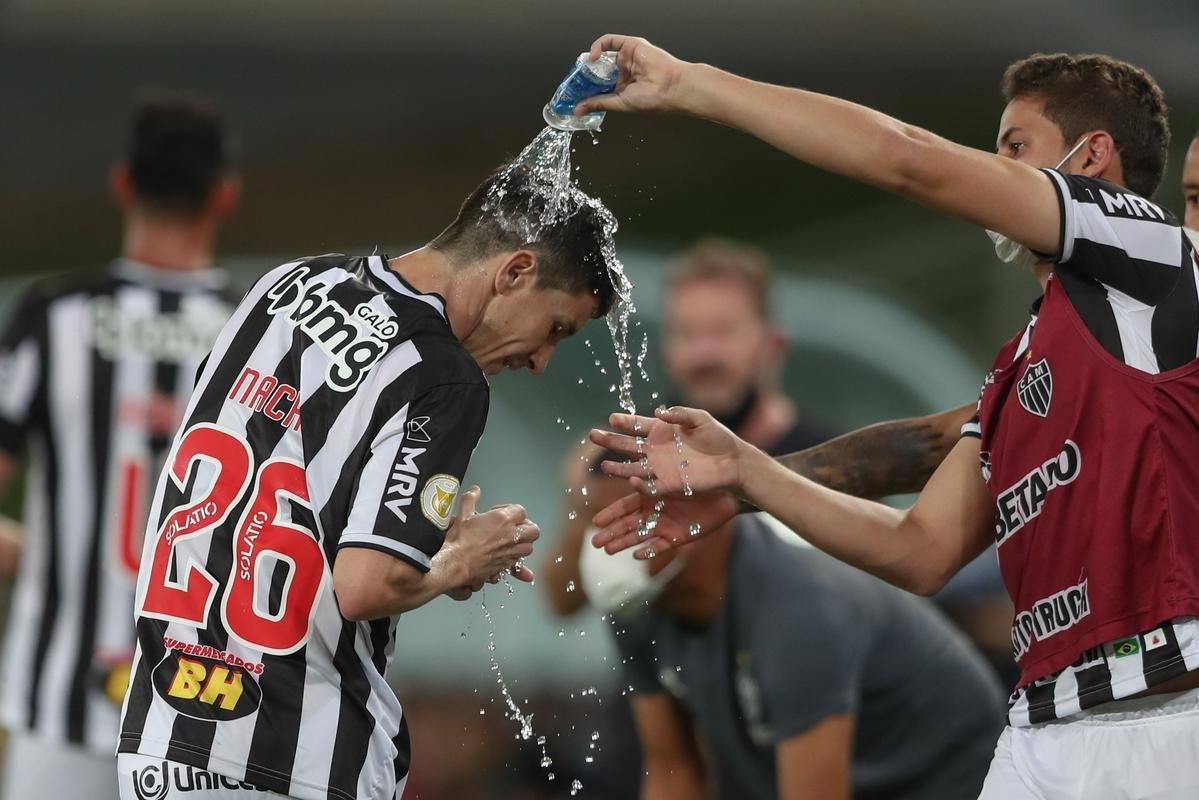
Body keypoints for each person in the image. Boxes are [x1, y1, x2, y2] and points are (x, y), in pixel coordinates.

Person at [584, 36, 1199, 797]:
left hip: (1168, 711)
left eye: (1014, 147)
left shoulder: (1151, 253)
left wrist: (689, 84)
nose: (995, 168)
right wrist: (743, 475)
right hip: (1042, 728)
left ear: (1092, 156)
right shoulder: (1018, 363)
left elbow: (906, 157)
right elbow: (919, 550)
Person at [115, 166, 617, 800]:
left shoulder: (286, 284)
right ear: (514, 272)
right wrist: (460, 560)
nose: (541, 361)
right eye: (556, 328)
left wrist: (418, 549)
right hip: (296, 752)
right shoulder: (443, 376)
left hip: (161, 737)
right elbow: (366, 585)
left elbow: (269, 482)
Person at [0, 90, 240, 800]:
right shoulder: (255, 334)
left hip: (58, 702)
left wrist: (39, 555)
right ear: (224, 195)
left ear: (123, 184)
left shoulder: (52, 318)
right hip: (207, 712)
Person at [612, 513, 1004, 799]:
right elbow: (673, 772)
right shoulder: (634, 605)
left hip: (952, 782)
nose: (602, 540)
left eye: (622, 518)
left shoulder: (798, 610)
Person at [543, 238, 832, 616]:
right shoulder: (624, 449)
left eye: (724, 331)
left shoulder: (829, 458)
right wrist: (582, 503)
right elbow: (561, 598)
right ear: (666, 348)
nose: (703, 354)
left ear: (772, 344)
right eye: (687, 333)